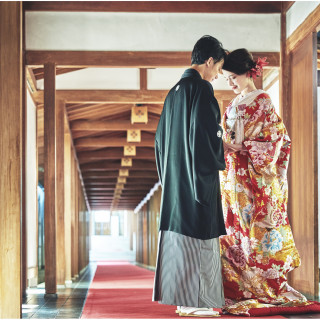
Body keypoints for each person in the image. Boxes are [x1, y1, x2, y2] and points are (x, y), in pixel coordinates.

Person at [219, 48, 307, 316]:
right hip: (234, 176)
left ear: (249, 73)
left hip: (255, 176)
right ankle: (241, 286)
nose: (231, 83)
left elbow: (275, 139)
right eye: (227, 79)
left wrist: (239, 147)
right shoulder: (235, 103)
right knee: (234, 228)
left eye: (234, 77)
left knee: (259, 228)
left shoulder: (263, 101)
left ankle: (265, 285)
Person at [152, 35, 227, 317]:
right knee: (201, 242)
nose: (218, 75)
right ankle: (200, 303)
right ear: (209, 62)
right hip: (197, 183)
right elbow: (207, 134)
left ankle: (183, 301)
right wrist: (222, 144)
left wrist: (168, 178)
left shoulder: (173, 93)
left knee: (179, 245)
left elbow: (159, 142)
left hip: (175, 185)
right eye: (218, 68)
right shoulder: (202, 90)